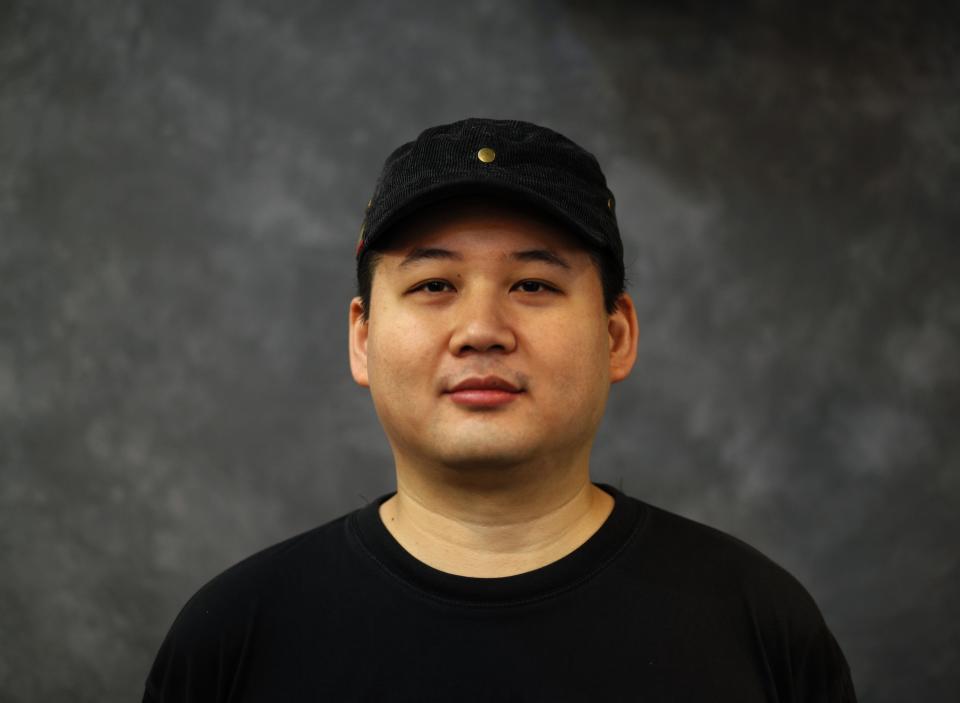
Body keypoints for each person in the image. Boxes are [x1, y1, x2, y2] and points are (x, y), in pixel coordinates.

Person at [142, 118, 857, 702]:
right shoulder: (236, 636)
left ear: (616, 334)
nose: (481, 328)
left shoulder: (755, 623)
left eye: (534, 285)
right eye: (433, 285)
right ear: (362, 337)